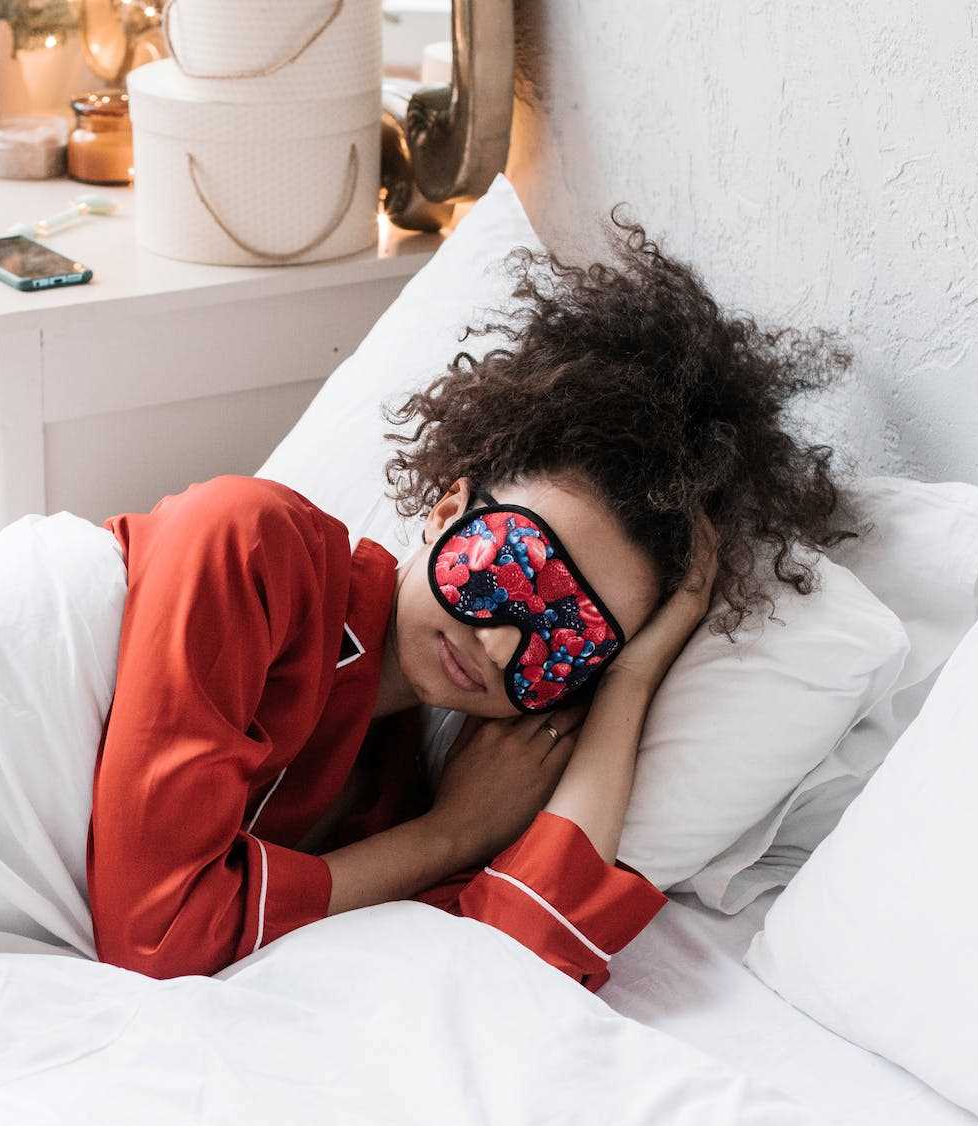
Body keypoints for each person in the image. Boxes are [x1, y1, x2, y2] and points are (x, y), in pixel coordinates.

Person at [87, 215, 853, 987]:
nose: (500, 648)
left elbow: (517, 966)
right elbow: (155, 938)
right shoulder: (252, 543)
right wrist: (448, 836)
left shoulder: (392, 793)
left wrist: (629, 682)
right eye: (513, 574)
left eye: (568, 642)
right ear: (450, 507)